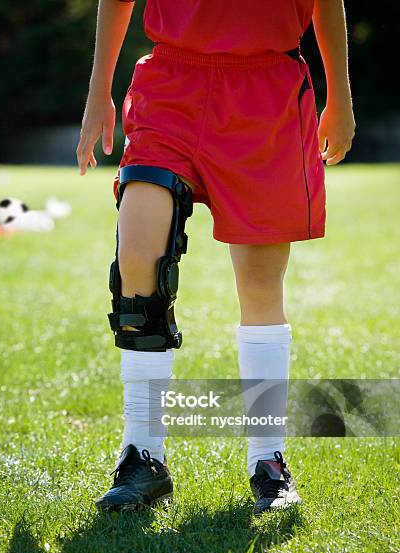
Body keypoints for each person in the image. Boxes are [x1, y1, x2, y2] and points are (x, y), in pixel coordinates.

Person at [77, 0, 355, 514]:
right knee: (137, 264)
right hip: (171, 86)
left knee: (259, 283)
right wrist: (99, 95)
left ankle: (267, 461)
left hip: (266, 91)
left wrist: (339, 95)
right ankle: (142, 455)